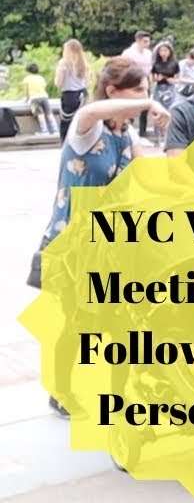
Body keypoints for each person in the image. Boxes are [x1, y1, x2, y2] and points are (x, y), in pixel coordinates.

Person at [28, 57, 170, 416]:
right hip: (73, 244)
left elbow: (148, 176)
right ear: (112, 91)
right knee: (79, 325)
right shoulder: (87, 126)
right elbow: (93, 111)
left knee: (124, 323)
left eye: (146, 91)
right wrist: (149, 103)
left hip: (110, 245)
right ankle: (60, 391)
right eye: (138, 90)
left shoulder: (126, 134)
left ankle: (120, 398)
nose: (145, 97)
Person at [54, 39, 91, 141]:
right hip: (83, 94)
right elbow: (87, 81)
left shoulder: (64, 64)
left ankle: (66, 142)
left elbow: (58, 83)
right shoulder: (84, 63)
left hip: (69, 95)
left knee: (66, 123)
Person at [121, 30, 154, 137]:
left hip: (145, 79)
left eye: (148, 41)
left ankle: (142, 132)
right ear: (138, 41)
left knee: (145, 106)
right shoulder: (128, 53)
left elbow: (150, 68)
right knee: (131, 105)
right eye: (145, 41)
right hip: (132, 80)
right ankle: (128, 129)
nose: (147, 44)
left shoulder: (148, 53)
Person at [22, 63, 57, 135]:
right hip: (44, 97)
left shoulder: (26, 79)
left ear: (28, 71)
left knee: (40, 115)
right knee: (49, 113)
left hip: (34, 99)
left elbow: (26, 91)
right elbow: (44, 87)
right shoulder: (41, 78)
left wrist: (26, 99)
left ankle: (44, 131)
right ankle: (55, 130)